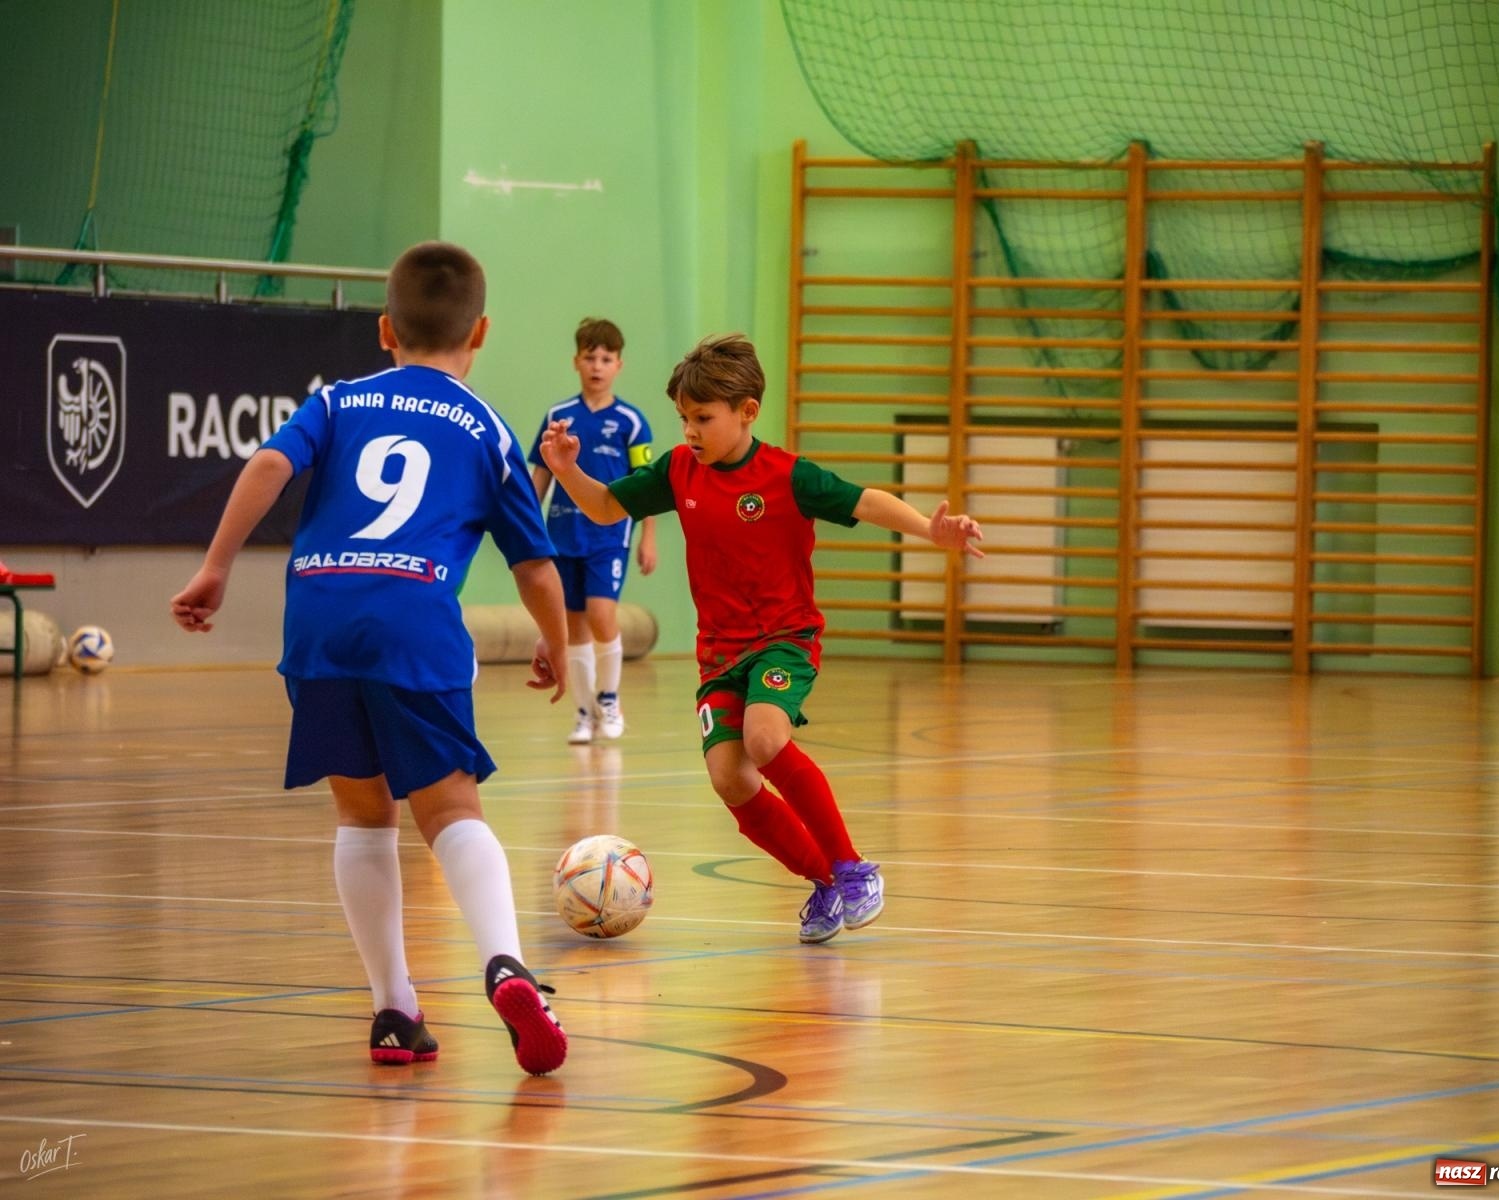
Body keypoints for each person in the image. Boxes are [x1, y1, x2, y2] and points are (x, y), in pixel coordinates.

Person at [170, 242, 571, 1075]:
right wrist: (556, 643)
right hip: (412, 620)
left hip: (316, 617)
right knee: (451, 810)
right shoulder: (488, 428)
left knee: (362, 815)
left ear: (385, 328)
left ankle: (394, 1009)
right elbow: (533, 565)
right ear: (482, 332)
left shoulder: (341, 399)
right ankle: (507, 964)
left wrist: (215, 566)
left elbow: (270, 463)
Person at [540, 333, 983, 944]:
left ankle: (854, 867)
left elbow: (867, 502)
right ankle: (825, 882)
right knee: (729, 777)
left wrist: (930, 531)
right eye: (684, 419)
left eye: (702, 418)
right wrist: (567, 471)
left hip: (783, 638)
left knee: (765, 735)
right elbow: (607, 508)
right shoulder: (677, 468)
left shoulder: (786, 476)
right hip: (719, 653)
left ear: (747, 411)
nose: (690, 430)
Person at [528, 318, 657, 745]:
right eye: (590, 357)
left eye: (606, 358)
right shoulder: (558, 416)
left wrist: (648, 537)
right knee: (574, 626)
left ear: (619, 365)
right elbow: (540, 478)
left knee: (603, 617)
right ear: (576, 362)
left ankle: (609, 698)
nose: (597, 366)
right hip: (562, 536)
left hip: (609, 537)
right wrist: (523, 523)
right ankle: (583, 713)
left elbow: (647, 484)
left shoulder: (631, 422)